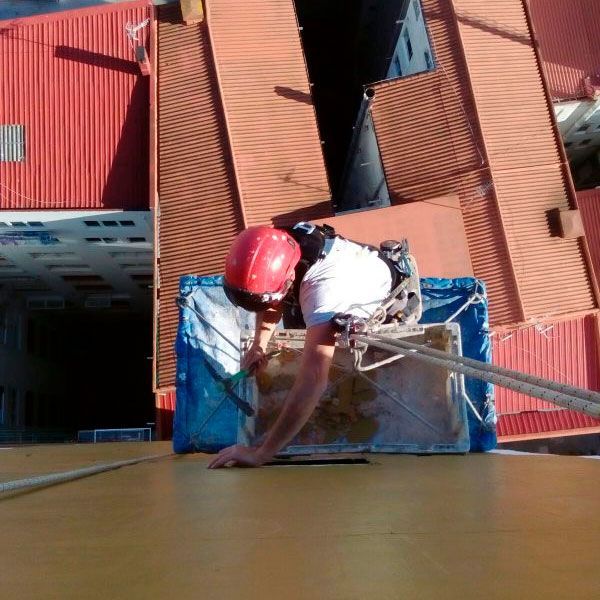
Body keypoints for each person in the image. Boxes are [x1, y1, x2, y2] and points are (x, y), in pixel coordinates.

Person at [207, 222, 398, 468]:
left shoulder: (323, 296)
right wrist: (258, 345)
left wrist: (261, 453)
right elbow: (272, 297)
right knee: (297, 317)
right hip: (342, 266)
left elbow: (313, 381)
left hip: (373, 281)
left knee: (306, 328)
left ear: (290, 279)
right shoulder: (276, 244)